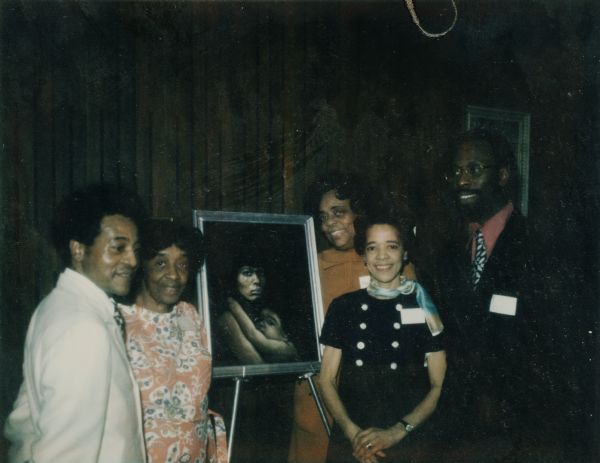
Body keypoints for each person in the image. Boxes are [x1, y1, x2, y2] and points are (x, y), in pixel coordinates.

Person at [3, 183, 147, 463]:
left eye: (135, 249)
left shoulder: (56, 306)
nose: (132, 260)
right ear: (78, 250)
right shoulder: (84, 328)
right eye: (118, 248)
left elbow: (25, 418)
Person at [289, 173, 416, 463]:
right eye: (323, 217)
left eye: (338, 213)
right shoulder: (311, 265)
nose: (329, 224)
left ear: (360, 212)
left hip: (375, 406)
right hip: (317, 401)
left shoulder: (389, 264)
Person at [435, 128, 545, 460]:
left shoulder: (537, 247)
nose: (462, 181)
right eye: (456, 171)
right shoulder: (449, 253)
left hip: (518, 432)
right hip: (457, 428)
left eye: (474, 170)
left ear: (502, 175)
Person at [319, 214, 446, 463]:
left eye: (392, 246)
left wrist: (397, 432)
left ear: (405, 253)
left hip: (408, 439)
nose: (382, 256)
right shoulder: (343, 306)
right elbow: (326, 379)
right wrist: (353, 434)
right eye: (372, 248)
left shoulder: (425, 307)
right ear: (364, 256)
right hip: (353, 439)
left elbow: (438, 385)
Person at [119, 219, 227, 463]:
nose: (173, 275)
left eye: (182, 264)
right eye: (160, 263)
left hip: (196, 452)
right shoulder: (121, 322)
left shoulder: (189, 314)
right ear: (141, 266)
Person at [216, 262, 298, 364]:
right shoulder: (227, 319)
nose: (257, 280)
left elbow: (256, 338)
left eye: (260, 273)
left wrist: (233, 306)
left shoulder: (287, 347)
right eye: (247, 273)